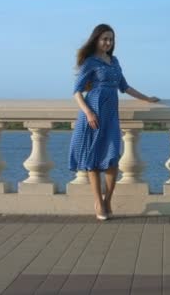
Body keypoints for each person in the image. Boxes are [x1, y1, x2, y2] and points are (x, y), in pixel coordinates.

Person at [69, 23, 159, 221]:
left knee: (112, 159)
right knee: (93, 160)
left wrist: (146, 99)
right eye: (104, 39)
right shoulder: (90, 62)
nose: (108, 42)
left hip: (110, 117)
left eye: (111, 39)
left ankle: (108, 199)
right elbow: (77, 91)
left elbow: (124, 86)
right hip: (93, 115)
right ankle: (98, 202)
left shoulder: (114, 61)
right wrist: (89, 113)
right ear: (96, 40)